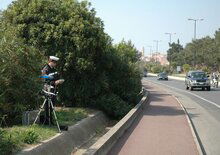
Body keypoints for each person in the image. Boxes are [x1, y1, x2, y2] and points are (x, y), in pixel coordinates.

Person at [41, 56, 62, 125]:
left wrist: (59, 81)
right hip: (47, 89)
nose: (55, 64)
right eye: (54, 62)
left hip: (53, 90)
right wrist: (54, 82)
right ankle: (47, 121)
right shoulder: (45, 69)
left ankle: (51, 120)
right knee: (47, 105)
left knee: (52, 105)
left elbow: (56, 77)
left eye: (56, 63)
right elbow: (44, 79)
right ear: (51, 61)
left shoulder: (54, 70)